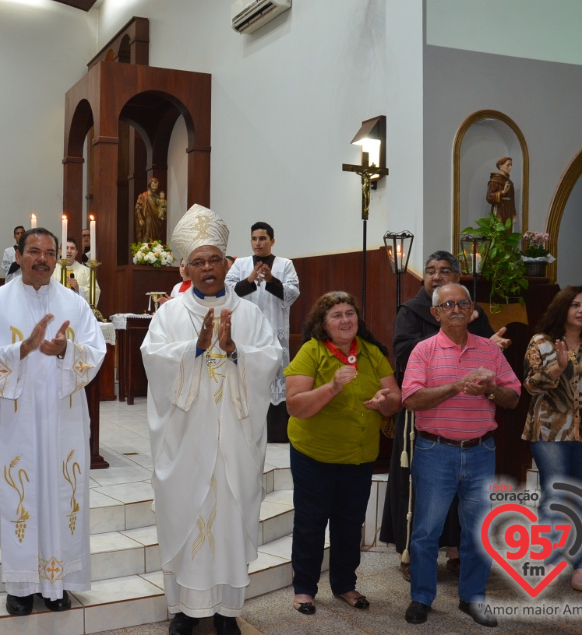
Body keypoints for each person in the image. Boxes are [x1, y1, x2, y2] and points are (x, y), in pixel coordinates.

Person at [141, 204, 283, 635]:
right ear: (187, 266)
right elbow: (154, 361)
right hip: (187, 440)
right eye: (198, 262)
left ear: (226, 264)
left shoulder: (250, 314)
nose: (207, 268)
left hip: (234, 443)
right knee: (188, 510)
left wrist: (236, 350)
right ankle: (186, 609)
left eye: (214, 261)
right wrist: (195, 350)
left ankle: (225, 611)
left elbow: (270, 360)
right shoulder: (169, 314)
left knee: (229, 517)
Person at [0, 228, 106, 616]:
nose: (43, 259)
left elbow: (94, 351)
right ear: (18, 254)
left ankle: (56, 582)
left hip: (62, 416)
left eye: (49, 252)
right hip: (17, 419)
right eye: (34, 251)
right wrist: (22, 349)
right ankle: (20, 584)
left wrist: (67, 350)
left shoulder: (74, 303)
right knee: (21, 494)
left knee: (63, 492)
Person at [380, 250, 510, 580]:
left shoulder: (471, 310)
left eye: (445, 270)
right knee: (419, 494)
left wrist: (487, 345)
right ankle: (411, 554)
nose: (437, 275)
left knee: (466, 499)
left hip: (471, 425)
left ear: (457, 276)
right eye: (431, 270)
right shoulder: (410, 311)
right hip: (423, 417)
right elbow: (403, 353)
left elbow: (490, 352)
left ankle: (455, 550)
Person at [402, 283, 520, 628]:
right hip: (435, 451)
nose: (456, 309)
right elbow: (411, 399)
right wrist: (457, 385)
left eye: (463, 303)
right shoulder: (423, 351)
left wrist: (491, 389)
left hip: (481, 451)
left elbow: (512, 397)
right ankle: (422, 597)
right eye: (448, 304)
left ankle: (473, 598)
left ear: (472, 311)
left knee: (478, 531)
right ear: (435, 312)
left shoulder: (490, 351)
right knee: (426, 531)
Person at [285, 291, 401, 616]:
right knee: (310, 523)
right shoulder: (312, 351)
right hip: (314, 455)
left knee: (350, 524)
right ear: (323, 323)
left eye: (350, 313)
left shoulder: (371, 352)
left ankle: (345, 585)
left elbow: (396, 397)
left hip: (359, 456)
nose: (345, 320)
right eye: (336, 315)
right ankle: (305, 589)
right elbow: (295, 405)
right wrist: (332, 387)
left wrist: (385, 403)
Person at [522, 285, 582, 592]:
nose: (581, 311)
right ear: (562, 308)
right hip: (550, 431)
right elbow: (530, 385)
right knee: (554, 494)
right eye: (575, 305)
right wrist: (557, 370)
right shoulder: (541, 342)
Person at [225, 222, 301, 442]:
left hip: (275, 328)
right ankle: (247, 427)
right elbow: (229, 293)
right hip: (247, 331)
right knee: (248, 375)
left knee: (276, 376)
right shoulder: (240, 265)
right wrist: (250, 279)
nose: (258, 243)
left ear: (272, 241)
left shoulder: (285, 264)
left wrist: (270, 280)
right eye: (254, 239)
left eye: (262, 239)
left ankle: (276, 431)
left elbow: (292, 293)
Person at [52, 237, 100, 306]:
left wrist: (78, 288)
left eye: (72, 248)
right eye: (66, 248)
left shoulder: (85, 271)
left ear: (76, 252)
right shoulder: (52, 269)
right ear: (60, 251)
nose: (69, 251)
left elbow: (96, 291)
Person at [134, 177, 168, 243]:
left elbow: (160, 210)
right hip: (147, 220)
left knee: (155, 238)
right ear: (150, 185)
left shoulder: (158, 197)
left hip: (156, 222)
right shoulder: (144, 196)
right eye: (153, 185)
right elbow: (138, 208)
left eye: (156, 186)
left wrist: (163, 213)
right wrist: (140, 218)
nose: (154, 187)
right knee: (147, 235)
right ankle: (145, 250)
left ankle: (155, 249)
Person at [486, 156, 516, 224]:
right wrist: (502, 192)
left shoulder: (509, 182)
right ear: (500, 166)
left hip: (508, 211)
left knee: (508, 232)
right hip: (499, 209)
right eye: (508, 165)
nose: (510, 167)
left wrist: (513, 214)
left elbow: (512, 199)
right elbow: (489, 197)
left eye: (511, 165)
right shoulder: (495, 181)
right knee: (499, 229)